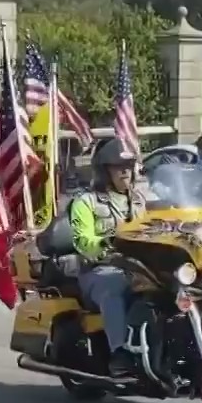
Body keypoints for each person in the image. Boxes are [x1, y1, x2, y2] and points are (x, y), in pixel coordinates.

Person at [70, 138, 148, 376]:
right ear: (105, 171)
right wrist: (106, 242)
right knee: (114, 287)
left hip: (136, 268)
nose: (125, 171)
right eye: (118, 167)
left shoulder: (139, 200)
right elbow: (82, 241)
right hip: (98, 270)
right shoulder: (85, 202)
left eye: (128, 166)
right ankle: (119, 353)